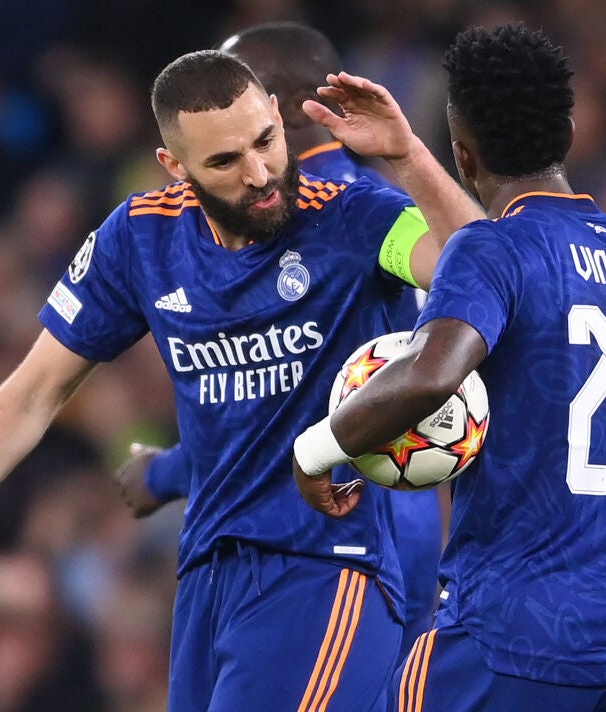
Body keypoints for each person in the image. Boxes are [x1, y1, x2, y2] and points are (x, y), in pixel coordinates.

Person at [0, 48, 484, 711]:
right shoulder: (140, 239)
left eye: (265, 141)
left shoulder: (353, 215)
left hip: (329, 567)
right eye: (224, 161)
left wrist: (408, 156)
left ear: (278, 117)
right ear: (175, 166)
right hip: (206, 576)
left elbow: (485, 269)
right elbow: (34, 390)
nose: (259, 173)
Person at [291, 24, 606, 710]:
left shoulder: (494, 251)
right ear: (568, 132)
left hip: (514, 635)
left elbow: (431, 374)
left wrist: (314, 451)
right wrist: (407, 155)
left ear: (463, 153)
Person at [117, 21, 444, 655]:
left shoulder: (321, 219)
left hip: (336, 528)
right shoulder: (383, 198)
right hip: (405, 510)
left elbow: (272, 410)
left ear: (283, 106)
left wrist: (164, 473)